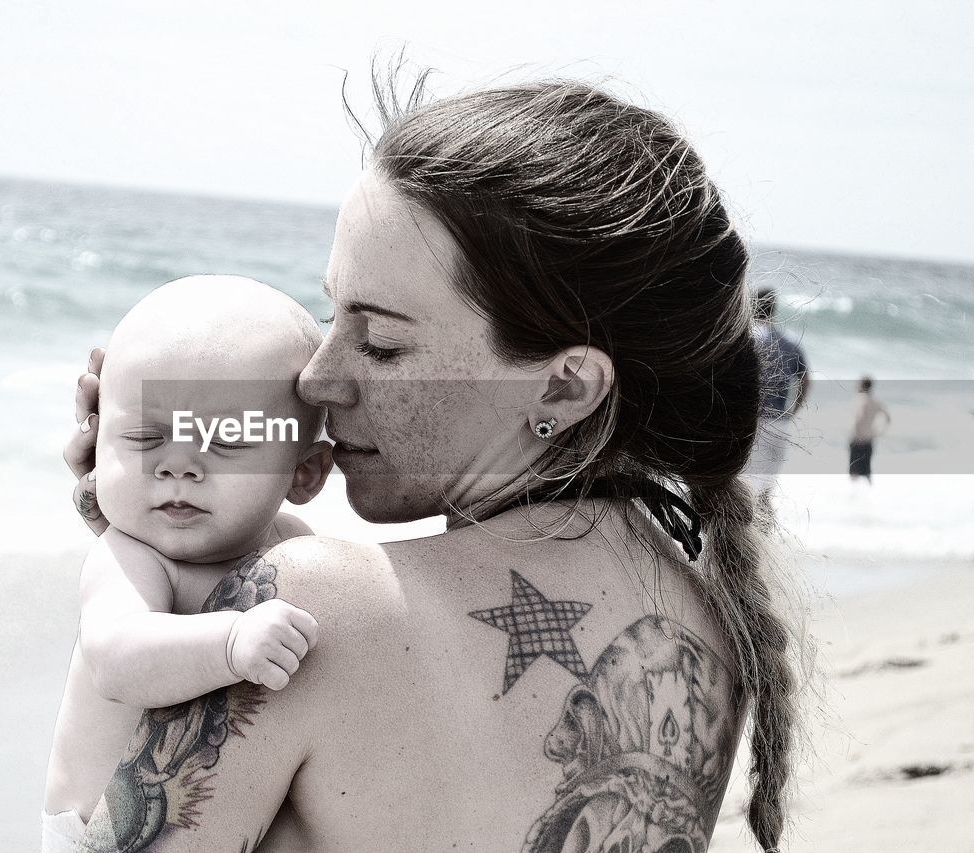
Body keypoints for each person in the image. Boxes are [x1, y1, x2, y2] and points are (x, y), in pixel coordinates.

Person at [62, 76, 801, 853]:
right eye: (330, 315)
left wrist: (142, 553)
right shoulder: (702, 636)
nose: (318, 375)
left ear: (564, 383)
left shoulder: (309, 608)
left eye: (379, 342)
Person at [40, 277, 333, 853]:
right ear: (100, 444)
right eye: (146, 435)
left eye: (226, 440)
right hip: (96, 836)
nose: (179, 464)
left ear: (304, 473)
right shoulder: (130, 555)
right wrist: (232, 641)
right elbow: (117, 658)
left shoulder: (294, 546)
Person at [743, 287, 810, 517]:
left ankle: (747, 545)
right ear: (773, 309)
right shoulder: (789, 344)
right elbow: (804, 379)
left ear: (751, 306)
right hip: (779, 424)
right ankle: (765, 542)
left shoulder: (745, 341)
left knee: (743, 488)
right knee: (765, 492)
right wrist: (793, 409)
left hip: (751, 424)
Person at [849, 375, 890, 484]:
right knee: (866, 470)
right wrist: (879, 432)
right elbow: (888, 418)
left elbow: (860, 417)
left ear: (861, 385)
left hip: (858, 439)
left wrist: (857, 435)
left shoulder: (861, 399)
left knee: (854, 471)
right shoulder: (876, 401)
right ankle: (870, 494)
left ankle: (853, 497)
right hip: (869, 438)